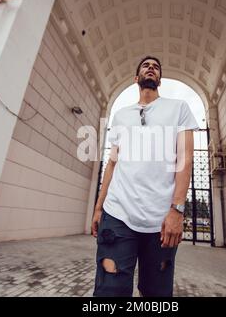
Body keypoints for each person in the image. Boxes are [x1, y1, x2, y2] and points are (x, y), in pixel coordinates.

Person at [91, 55, 199, 297]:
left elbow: (185, 159)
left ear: (159, 79)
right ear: (136, 78)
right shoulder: (121, 115)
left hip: (161, 221)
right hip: (117, 214)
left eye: (156, 67)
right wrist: (99, 208)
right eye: (146, 66)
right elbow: (112, 164)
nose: (151, 68)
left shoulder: (179, 108)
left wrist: (177, 210)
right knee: (110, 291)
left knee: (156, 293)